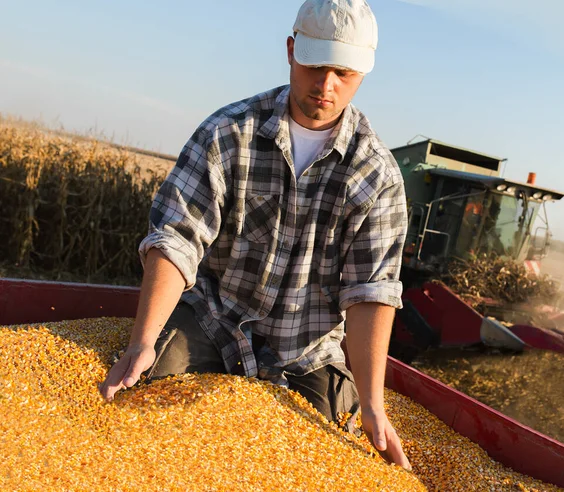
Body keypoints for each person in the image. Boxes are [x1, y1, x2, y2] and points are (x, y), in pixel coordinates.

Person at [100, 0, 410, 469]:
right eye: (316, 65)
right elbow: (177, 238)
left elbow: (370, 292)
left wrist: (372, 404)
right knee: (143, 398)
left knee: (317, 457)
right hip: (212, 322)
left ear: (363, 74)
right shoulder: (228, 133)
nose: (326, 85)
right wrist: (143, 341)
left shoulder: (375, 175)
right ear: (291, 50)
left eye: (343, 73)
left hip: (303, 351)